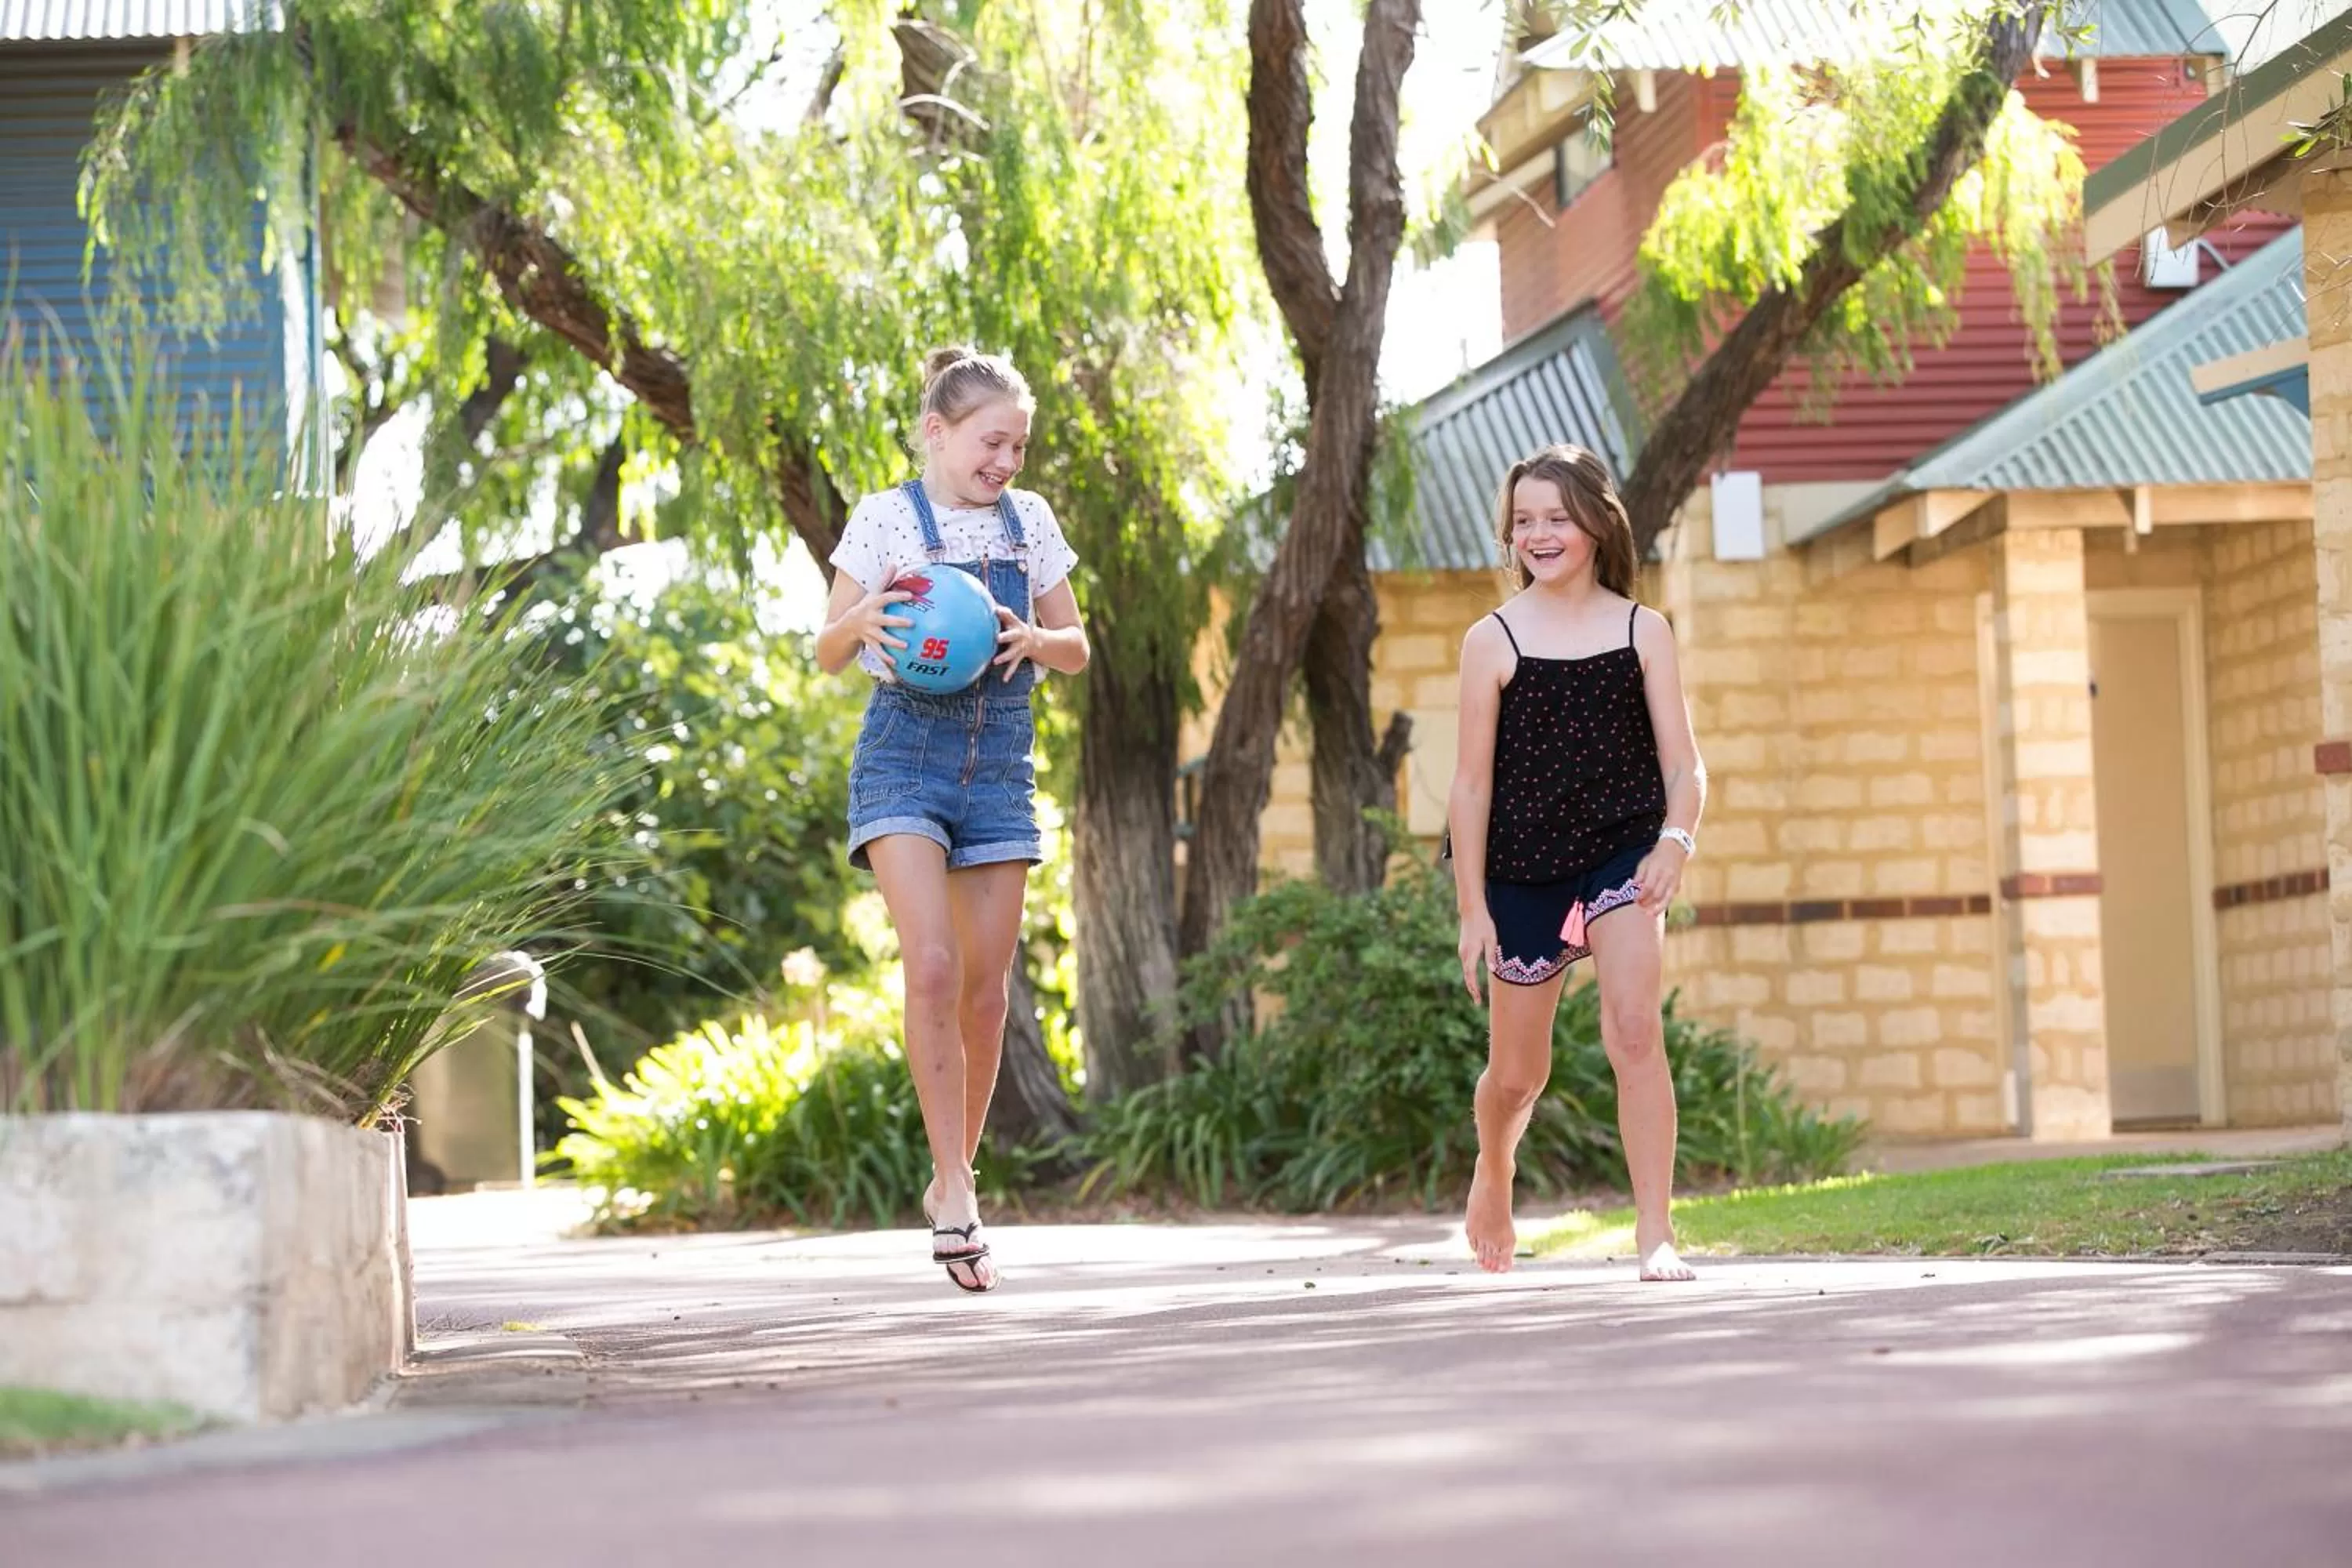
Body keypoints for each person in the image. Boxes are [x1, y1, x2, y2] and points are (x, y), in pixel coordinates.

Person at [815, 346, 1090, 1294]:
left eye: (1019, 444)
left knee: (985, 989)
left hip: (999, 764)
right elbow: (825, 650)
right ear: (938, 433)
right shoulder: (885, 519)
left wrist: (1035, 638)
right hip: (904, 756)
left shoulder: (1032, 522)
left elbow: (1077, 645)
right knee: (930, 964)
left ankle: (947, 1176)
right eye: (992, 440)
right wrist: (864, 623)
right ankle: (964, 1191)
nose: (1008, 459)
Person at [1445, 443, 1706, 1282]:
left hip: (1622, 852)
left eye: (1557, 517)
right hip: (1522, 864)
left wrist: (1676, 838)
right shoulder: (1490, 639)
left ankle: (1656, 1230)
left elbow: (1685, 767)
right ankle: (1495, 1166)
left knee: (1634, 1030)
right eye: (1525, 520)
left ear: (1596, 522)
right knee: (1518, 1076)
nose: (1540, 533)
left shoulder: (1643, 630)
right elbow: (1471, 787)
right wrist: (1472, 909)